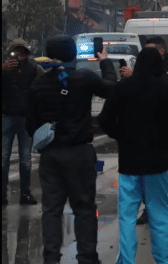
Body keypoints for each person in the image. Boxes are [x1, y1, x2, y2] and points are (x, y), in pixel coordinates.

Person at [26, 35, 116, 264]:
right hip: (80, 152)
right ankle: (87, 257)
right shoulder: (85, 77)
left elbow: (31, 125)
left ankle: (51, 258)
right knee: (84, 208)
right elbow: (111, 89)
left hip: (51, 154)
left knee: (51, 210)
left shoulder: (39, 84)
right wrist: (104, 61)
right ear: (74, 54)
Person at [99, 48, 168, 264]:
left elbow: (105, 120)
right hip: (158, 163)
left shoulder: (122, 88)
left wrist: (122, 136)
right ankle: (165, 260)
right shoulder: (164, 89)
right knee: (159, 213)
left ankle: (126, 260)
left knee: (127, 215)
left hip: (129, 162)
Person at [121, 36, 168, 222]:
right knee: (146, 168)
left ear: (161, 51)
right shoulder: (143, 69)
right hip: (146, 125)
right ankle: (148, 208)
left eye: (150, 50)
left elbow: (166, 85)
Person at [2, 38, 45, 206]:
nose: (19, 54)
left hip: (26, 118)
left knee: (25, 159)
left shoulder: (35, 68)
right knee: (4, 157)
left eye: (22, 51)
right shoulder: (5, 69)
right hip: (6, 117)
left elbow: (43, 88)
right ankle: (3, 195)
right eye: (16, 51)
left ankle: (25, 193)